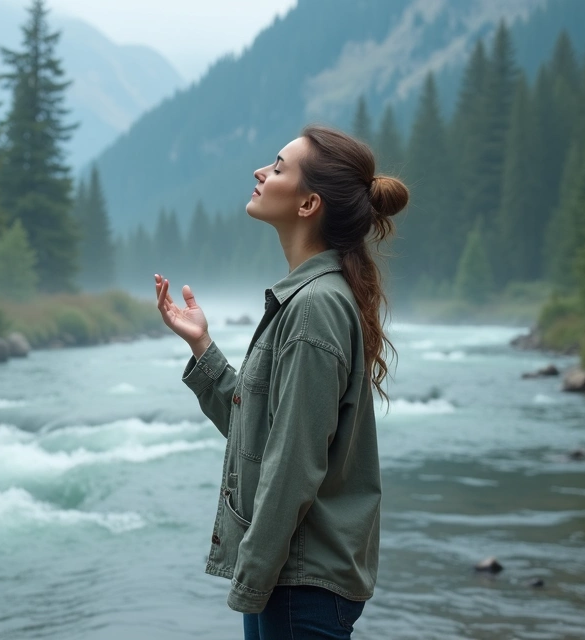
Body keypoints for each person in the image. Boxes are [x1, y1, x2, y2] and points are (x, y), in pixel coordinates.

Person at [154, 124, 408, 639]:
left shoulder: (314, 306)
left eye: (277, 166)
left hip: (298, 587)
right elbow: (263, 434)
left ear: (308, 203)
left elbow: (293, 463)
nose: (260, 171)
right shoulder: (315, 298)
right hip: (296, 580)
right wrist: (202, 347)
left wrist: (251, 580)